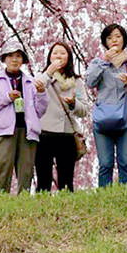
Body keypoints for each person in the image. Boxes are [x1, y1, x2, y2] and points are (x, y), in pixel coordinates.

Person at [0, 42, 49, 195]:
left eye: (18, 56)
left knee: (26, 170)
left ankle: (23, 204)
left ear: (23, 60)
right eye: (10, 56)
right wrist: (6, 97)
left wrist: (42, 93)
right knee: (1, 166)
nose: (14, 59)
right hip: (3, 131)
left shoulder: (30, 82)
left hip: (27, 130)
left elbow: (40, 110)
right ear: (4, 59)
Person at [85, 24, 127, 187]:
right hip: (103, 118)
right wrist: (105, 61)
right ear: (105, 41)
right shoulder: (98, 62)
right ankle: (105, 199)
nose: (114, 40)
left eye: (118, 36)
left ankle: (125, 197)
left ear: (124, 39)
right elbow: (90, 82)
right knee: (105, 163)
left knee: (126, 161)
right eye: (110, 37)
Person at [35, 41, 89, 192]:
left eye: (62, 53)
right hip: (45, 133)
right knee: (43, 179)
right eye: (55, 53)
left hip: (67, 134)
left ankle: (66, 209)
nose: (59, 56)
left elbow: (84, 110)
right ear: (49, 57)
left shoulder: (77, 81)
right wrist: (49, 72)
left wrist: (73, 104)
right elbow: (36, 87)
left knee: (66, 180)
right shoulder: (44, 76)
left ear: (69, 57)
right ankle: (41, 210)